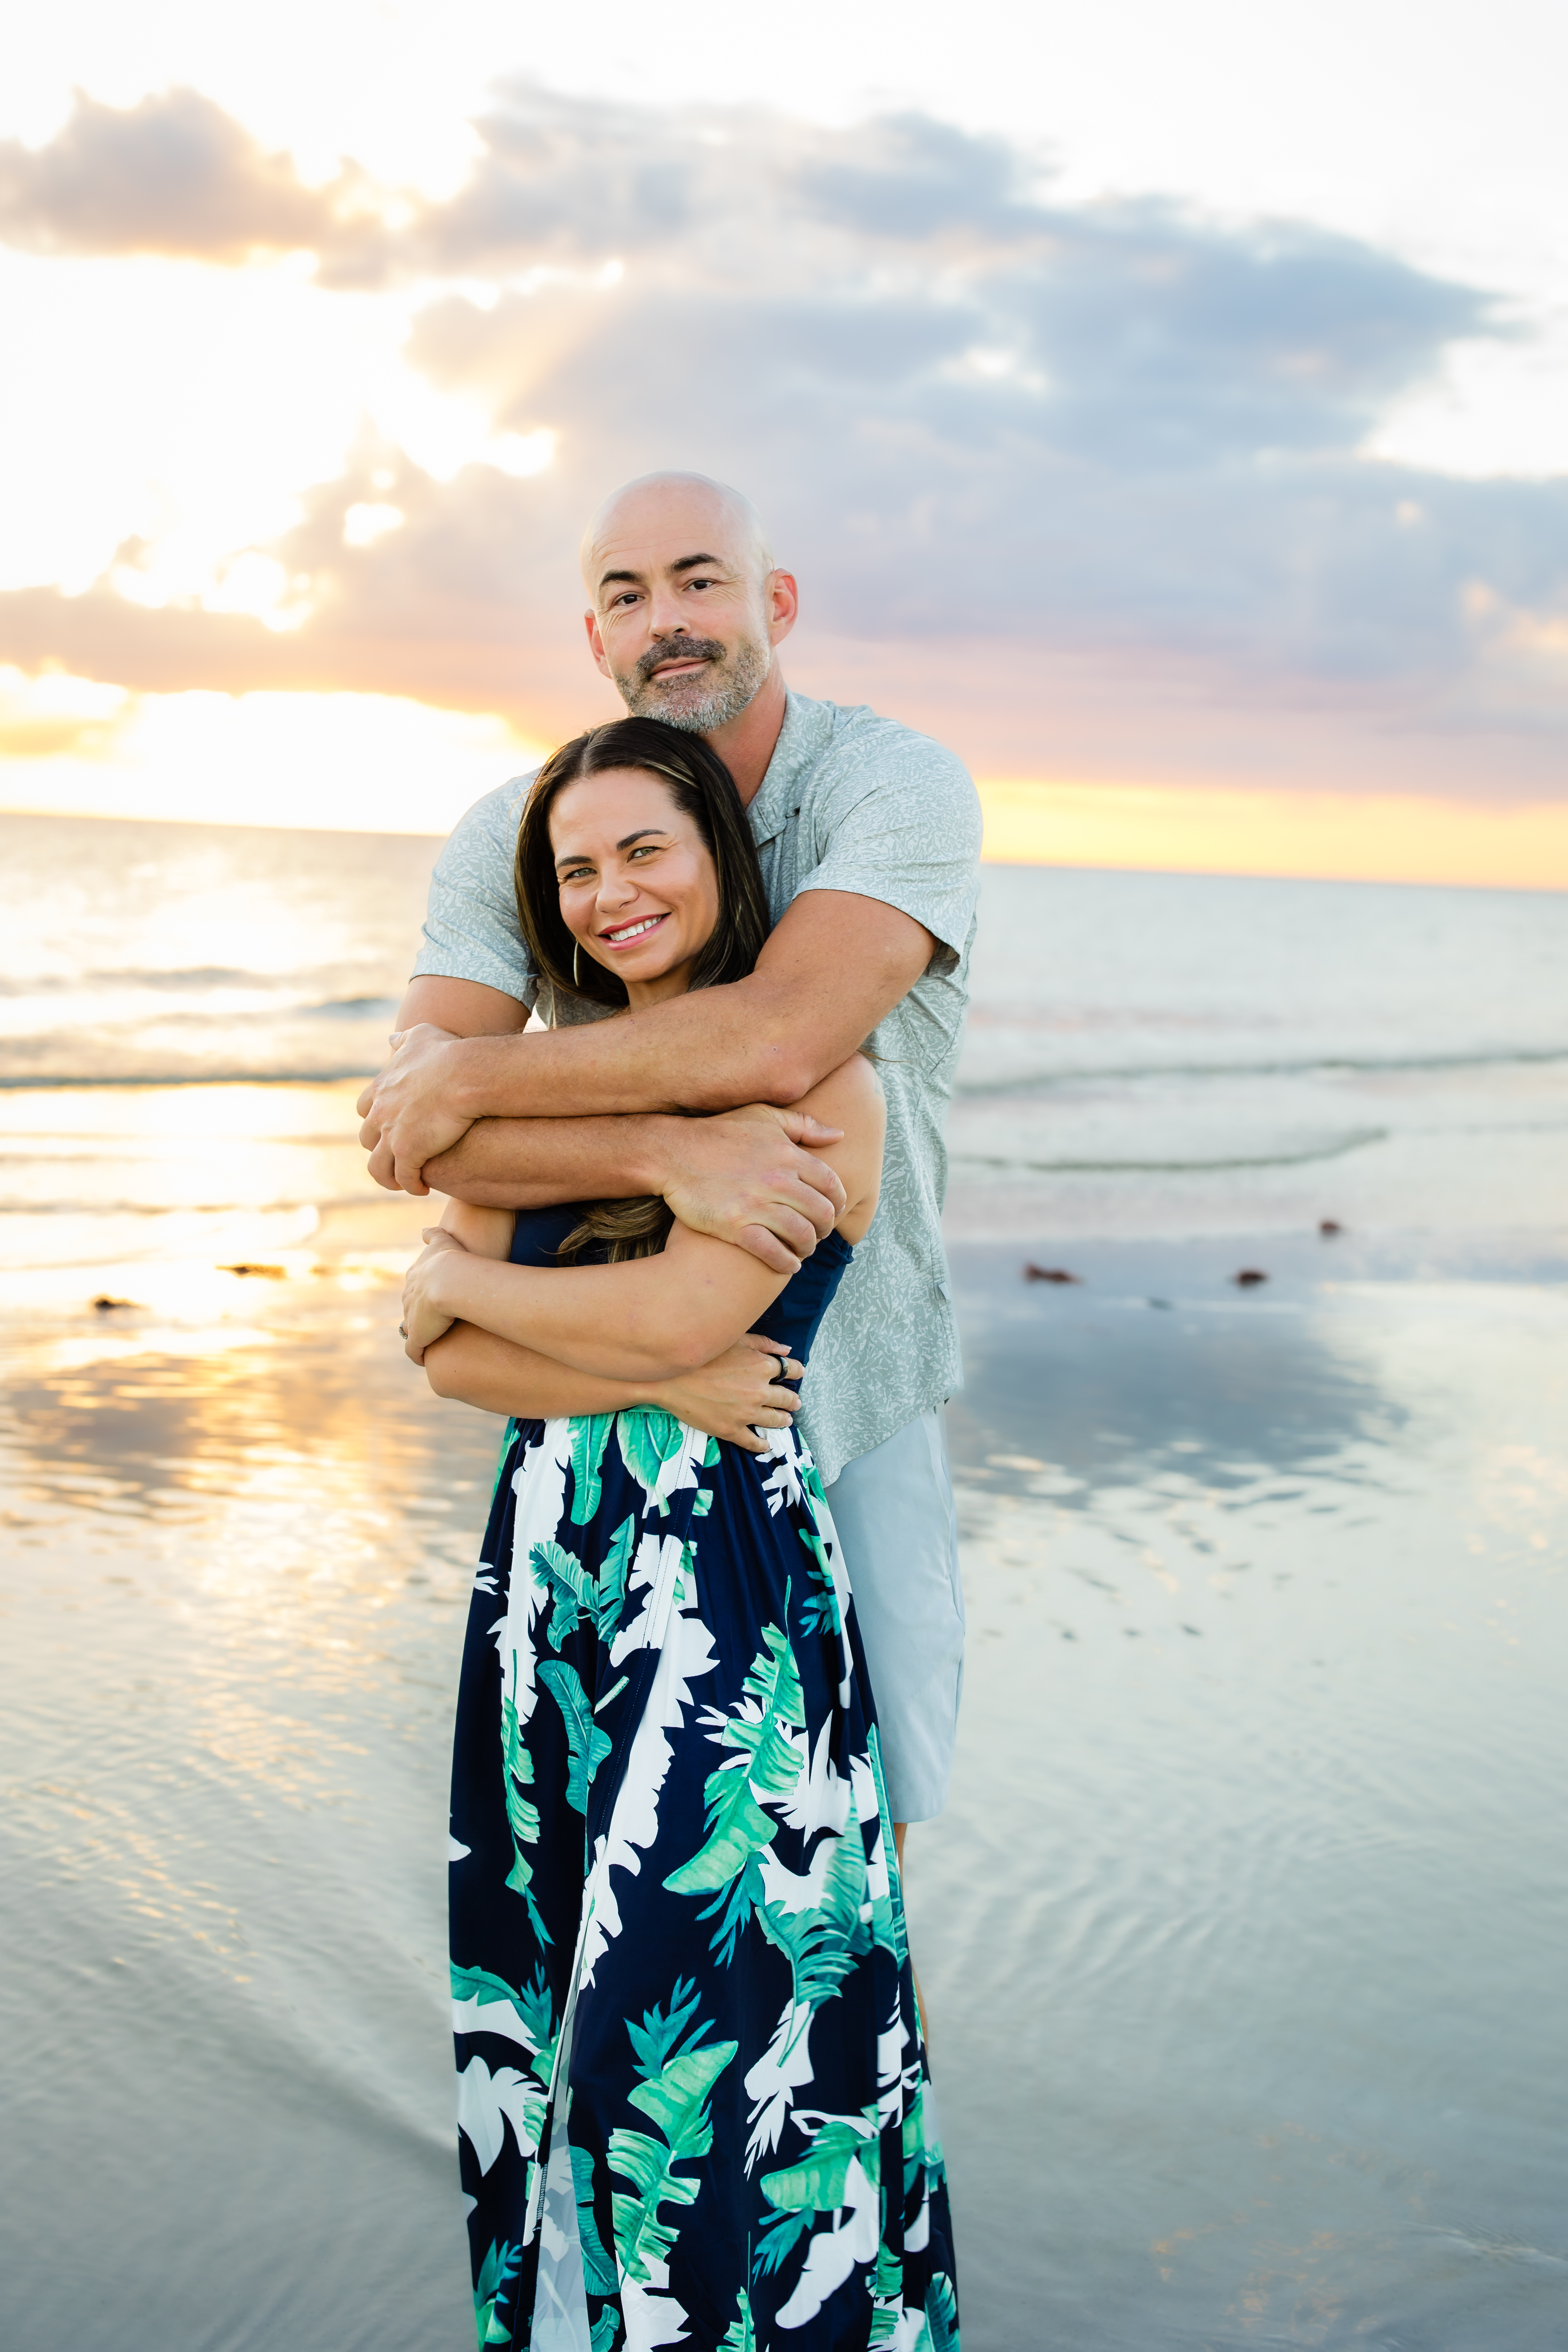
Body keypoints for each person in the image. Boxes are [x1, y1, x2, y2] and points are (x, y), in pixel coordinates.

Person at [403, 717, 958, 2349]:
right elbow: (452, 1370)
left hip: (720, 1595)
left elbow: (669, 1321)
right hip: (552, 1588)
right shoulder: (562, 1087)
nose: (610, 892)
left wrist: (460, 1284)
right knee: (555, 1999)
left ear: (724, 856)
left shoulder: (818, 1083)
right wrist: (467, 1306)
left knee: (711, 2026)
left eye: (645, 849)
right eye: (575, 868)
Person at [358, 469, 982, 1866]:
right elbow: (412, 1122)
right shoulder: (528, 832)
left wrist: (473, 1088)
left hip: (850, 1386)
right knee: (583, 1864)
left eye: (701, 579)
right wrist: (655, 1150)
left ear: (777, 602)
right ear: (594, 640)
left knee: (840, 1860)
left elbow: (777, 1040)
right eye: (626, 596)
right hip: (591, 1422)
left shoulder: (891, 787)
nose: (669, 621)